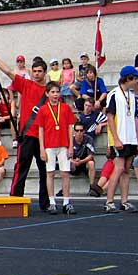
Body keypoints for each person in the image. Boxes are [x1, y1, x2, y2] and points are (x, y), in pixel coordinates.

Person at [0, 49, 50, 211]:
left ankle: (46, 203)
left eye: (39, 71)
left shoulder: (51, 92)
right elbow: (8, 71)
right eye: (34, 71)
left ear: (45, 72)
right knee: (21, 168)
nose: (36, 74)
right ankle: (15, 200)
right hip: (27, 134)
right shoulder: (26, 84)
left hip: (44, 137)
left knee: (45, 171)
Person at [102, 66, 138, 213]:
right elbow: (110, 117)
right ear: (128, 78)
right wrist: (116, 139)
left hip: (130, 137)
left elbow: (135, 118)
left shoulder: (132, 96)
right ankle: (109, 201)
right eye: (135, 78)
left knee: (126, 170)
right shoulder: (114, 94)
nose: (137, 81)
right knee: (118, 168)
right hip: (120, 137)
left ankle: (124, 201)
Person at [35, 82, 76, 214]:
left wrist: (71, 146)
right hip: (49, 145)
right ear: (47, 94)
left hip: (63, 144)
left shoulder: (65, 108)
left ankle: (66, 202)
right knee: (50, 173)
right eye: (52, 92)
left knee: (65, 173)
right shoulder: (43, 109)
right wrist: (41, 148)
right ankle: (52, 202)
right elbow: (40, 130)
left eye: (57, 92)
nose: (55, 94)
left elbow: (70, 127)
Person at [68, 123, 103, 197]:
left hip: (84, 162)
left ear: (84, 131)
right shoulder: (70, 140)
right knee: (66, 164)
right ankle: (65, 188)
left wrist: (81, 161)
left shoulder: (88, 139)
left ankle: (92, 187)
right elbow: (66, 155)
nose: (79, 132)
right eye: (77, 130)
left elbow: (91, 155)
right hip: (73, 162)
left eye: (81, 130)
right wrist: (73, 161)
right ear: (74, 131)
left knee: (91, 163)